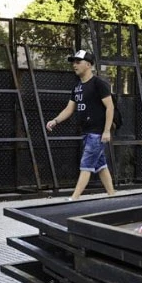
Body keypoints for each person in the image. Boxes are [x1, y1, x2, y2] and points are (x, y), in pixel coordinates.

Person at [46, 50, 116, 200]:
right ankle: (112, 196)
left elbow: (110, 107)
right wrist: (55, 120)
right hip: (86, 132)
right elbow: (69, 109)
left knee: (86, 165)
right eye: (73, 62)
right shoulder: (77, 87)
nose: (74, 65)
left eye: (78, 62)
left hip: (97, 133)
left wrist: (106, 131)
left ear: (88, 65)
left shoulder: (99, 84)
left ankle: (74, 198)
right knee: (101, 166)